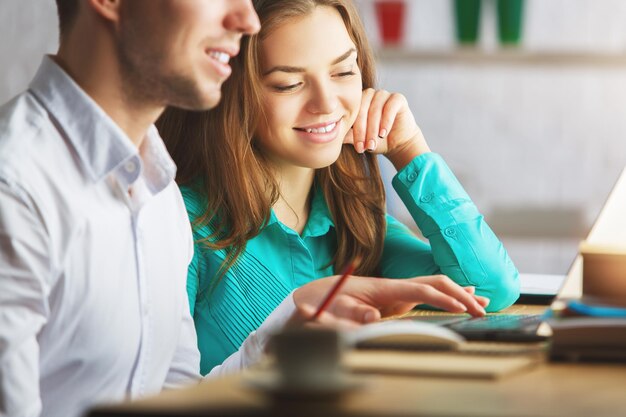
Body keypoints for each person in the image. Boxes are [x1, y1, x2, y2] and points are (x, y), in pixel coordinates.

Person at [0, 1, 496, 416]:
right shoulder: (15, 186)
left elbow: (175, 400)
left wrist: (286, 326)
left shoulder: (156, 192)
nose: (247, 19)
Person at [157, 0, 520, 374]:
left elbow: (490, 290)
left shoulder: (350, 215)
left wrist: (410, 150)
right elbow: (153, 395)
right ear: (233, 92)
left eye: (344, 72)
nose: (327, 103)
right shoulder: (179, 219)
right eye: (289, 84)